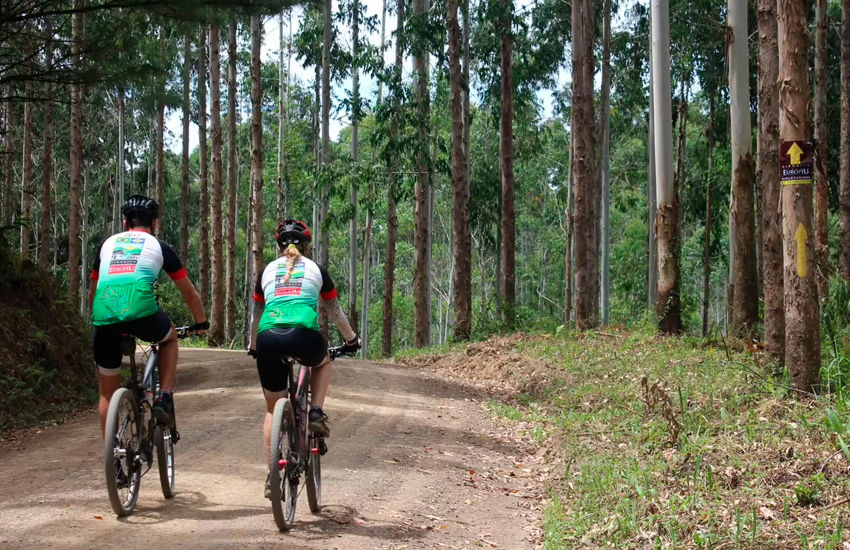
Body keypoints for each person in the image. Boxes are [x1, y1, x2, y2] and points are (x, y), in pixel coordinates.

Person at [249, 219, 360, 495]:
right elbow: (334, 310)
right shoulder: (316, 269)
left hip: (268, 338)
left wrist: (253, 345)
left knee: (272, 409)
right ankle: (316, 411)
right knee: (322, 361)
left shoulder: (266, 271)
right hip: (304, 336)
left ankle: (271, 475)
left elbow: (257, 314)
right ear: (307, 246)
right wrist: (350, 340)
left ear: (279, 247)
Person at [88, 195, 208, 436]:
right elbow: (189, 293)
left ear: (125, 224)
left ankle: (113, 461)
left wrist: (99, 320)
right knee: (170, 337)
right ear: (154, 224)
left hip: (104, 316)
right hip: (143, 313)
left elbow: (93, 292)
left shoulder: (106, 245)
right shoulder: (159, 246)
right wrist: (201, 323)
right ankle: (164, 396)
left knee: (106, 394)